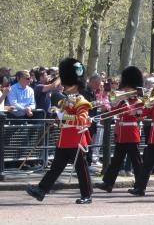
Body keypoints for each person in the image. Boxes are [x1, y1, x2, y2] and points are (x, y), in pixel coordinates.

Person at [26, 57, 93, 204]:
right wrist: (57, 118)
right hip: (64, 140)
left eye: (67, 83)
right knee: (55, 169)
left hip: (76, 140)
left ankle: (87, 195)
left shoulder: (82, 101)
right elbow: (63, 118)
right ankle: (41, 190)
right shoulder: (65, 101)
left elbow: (82, 120)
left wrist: (64, 116)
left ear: (74, 85)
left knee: (82, 170)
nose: (64, 86)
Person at [95, 66, 144, 192]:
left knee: (136, 162)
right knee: (116, 161)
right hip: (121, 134)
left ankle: (140, 185)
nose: (125, 90)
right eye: (125, 87)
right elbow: (113, 108)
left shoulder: (138, 101)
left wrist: (125, 102)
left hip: (132, 134)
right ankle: (108, 183)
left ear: (134, 88)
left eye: (128, 88)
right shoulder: (122, 101)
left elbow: (137, 114)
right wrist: (110, 100)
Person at [80, 74, 101, 168]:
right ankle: (84, 162)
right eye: (96, 83)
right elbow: (83, 105)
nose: (98, 86)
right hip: (85, 121)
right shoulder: (84, 91)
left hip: (92, 121)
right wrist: (95, 103)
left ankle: (88, 162)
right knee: (85, 143)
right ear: (91, 82)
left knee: (90, 142)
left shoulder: (93, 92)